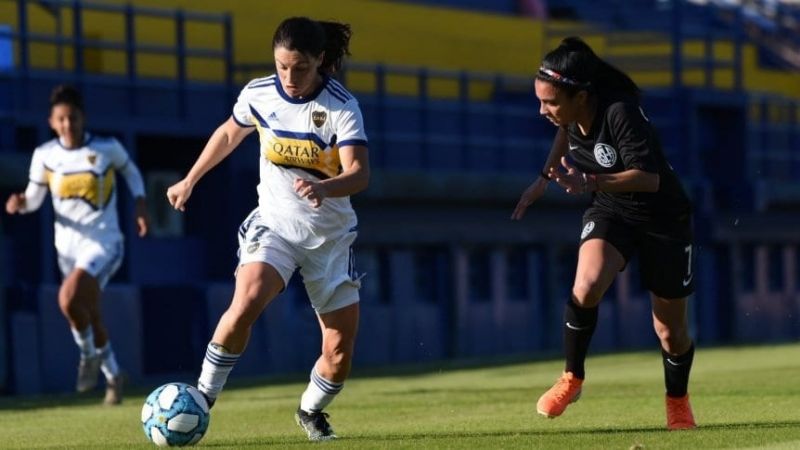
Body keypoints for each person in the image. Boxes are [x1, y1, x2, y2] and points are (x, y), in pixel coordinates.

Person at [166, 17, 369, 441]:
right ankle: (202, 400)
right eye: (281, 67)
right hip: (274, 224)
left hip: (329, 238)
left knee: (338, 352)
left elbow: (359, 173)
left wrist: (325, 187)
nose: (290, 78)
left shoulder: (341, 106)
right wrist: (190, 179)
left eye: (300, 68)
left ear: (320, 61)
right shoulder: (258, 93)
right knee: (247, 298)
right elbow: (227, 134)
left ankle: (310, 411)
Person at [511, 37, 697, 430]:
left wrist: (589, 180)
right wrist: (543, 179)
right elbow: (565, 132)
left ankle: (677, 401)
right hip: (612, 208)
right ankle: (572, 378)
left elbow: (648, 179)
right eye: (540, 101)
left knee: (669, 330)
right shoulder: (569, 115)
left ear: (581, 95)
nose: (543, 110)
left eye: (551, 102)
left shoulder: (620, 113)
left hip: (662, 216)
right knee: (587, 284)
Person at [5, 84, 149, 405]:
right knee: (89, 312)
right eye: (61, 119)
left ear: (82, 118)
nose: (68, 125)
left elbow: (132, 172)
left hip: (104, 243)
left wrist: (140, 204)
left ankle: (87, 358)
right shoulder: (45, 156)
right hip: (66, 249)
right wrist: (20, 202)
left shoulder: (106, 148)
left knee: (68, 297)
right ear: (52, 122)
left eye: (73, 117)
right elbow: (33, 199)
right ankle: (114, 377)